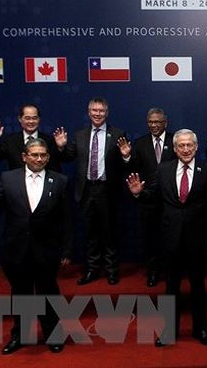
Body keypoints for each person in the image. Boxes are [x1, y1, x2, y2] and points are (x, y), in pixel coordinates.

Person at [0, 138, 72, 354]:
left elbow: (66, 219)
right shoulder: (8, 178)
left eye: (43, 155)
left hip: (47, 249)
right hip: (16, 248)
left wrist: (66, 249)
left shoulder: (60, 180)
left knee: (48, 292)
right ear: (24, 156)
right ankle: (21, 335)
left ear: (48, 157)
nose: (39, 159)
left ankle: (53, 335)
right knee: (21, 294)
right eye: (34, 155)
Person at [127, 129, 207, 347]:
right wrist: (139, 192)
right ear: (175, 149)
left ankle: (201, 329)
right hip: (171, 238)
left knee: (198, 286)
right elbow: (153, 196)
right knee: (171, 288)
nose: (186, 149)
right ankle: (168, 332)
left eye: (189, 145)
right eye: (181, 146)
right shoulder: (164, 169)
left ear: (196, 147)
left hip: (198, 239)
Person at [53, 97, 128, 285]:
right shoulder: (80, 135)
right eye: (94, 110)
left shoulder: (118, 134)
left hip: (107, 189)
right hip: (86, 190)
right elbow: (68, 157)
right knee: (90, 233)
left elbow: (125, 163)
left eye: (101, 111)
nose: (97, 114)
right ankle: (92, 270)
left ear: (107, 113)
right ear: (89, 113)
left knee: (109, 233)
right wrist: (61, 147)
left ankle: (111, 271)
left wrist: (127, 156)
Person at [128, 107, 175, 287]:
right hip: (148, 200)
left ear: (165, 123)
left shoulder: (175, 140)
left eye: (157, 122)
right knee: (150, 239)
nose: (154, 125)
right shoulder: (140, 143)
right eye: (150, 122)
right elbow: (133, 168)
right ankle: (153, 271)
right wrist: (126, 157)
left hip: (172, 200)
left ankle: (171, 271)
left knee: (171, 239)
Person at [0, 104, 61, 172]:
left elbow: (57, 164)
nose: (31, 121)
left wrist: (61, 147)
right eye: (27, 118)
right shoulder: (10, 140)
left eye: (34, 118)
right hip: (17, 181)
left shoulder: (49, 140)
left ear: (39, 119)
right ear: (20, 119)